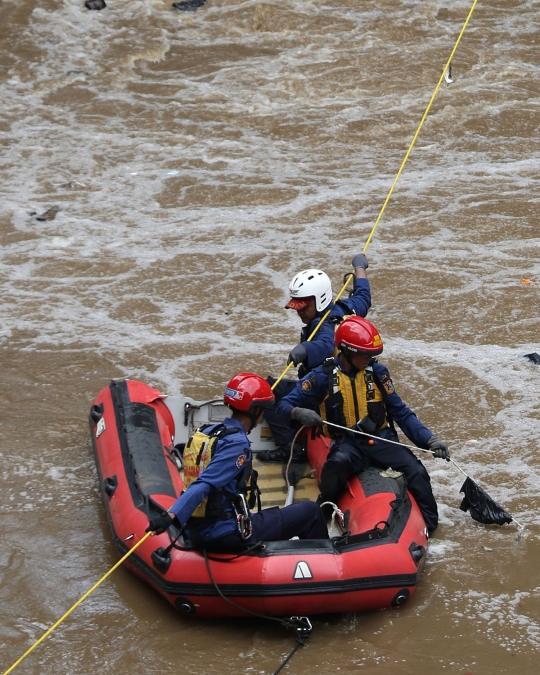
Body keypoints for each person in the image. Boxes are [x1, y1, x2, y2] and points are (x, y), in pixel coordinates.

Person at [274, 316, 450, 533]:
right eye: (365, 354)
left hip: (381, 440)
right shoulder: (321, 376)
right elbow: (283, 405)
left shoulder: (378, 374)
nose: (370, 358)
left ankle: (431, 527)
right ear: (346, 351)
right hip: (348, 444)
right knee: (335, 465)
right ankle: (326, 508)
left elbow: (401, 413)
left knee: (416, 471)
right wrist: (298, 412)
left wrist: (429, 440)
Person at [146, 372, 328, 550]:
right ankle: (326, 564)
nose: (263, 416)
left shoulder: (210, 431)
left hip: (198, 526)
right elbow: (205, 483)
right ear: (256, 410)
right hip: (223, 533)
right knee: (311, 513)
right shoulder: (237, 445)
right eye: (262, 410)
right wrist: (171, 516)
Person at [258, 253, 371, 463]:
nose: (300, 313)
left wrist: (305, 349)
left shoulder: (325, 325)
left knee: (269, 391)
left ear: (319, 301)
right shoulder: (347, 308)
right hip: (339, 385)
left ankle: (289, 448)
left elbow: (326, 344)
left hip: (323, 393)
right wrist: (360, 268)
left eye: (304, 307)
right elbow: (364, 296)